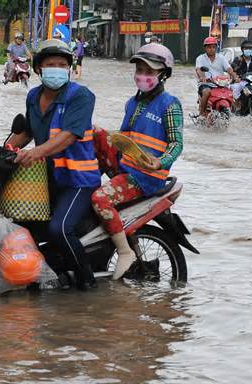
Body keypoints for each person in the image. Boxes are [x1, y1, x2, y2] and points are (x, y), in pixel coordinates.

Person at [5, 39, 99, 290]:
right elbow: (27, 131)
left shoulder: (81, 96)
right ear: (38, 69)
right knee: (22, 228)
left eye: (61, 64)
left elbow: (68, 136)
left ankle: (86, 281)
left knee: (59, 229)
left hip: (78, 180)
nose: (56, 68)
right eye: (50, 64)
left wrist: (35, 152)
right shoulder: (33, 95)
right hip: (47, 179)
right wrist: (3, 151)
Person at [91, 44, 183, 279]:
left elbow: (176, 144)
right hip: (126, 167)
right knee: (94, 133)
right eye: (140, 70)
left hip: (145, 178)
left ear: (163, 75)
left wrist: (160, 163)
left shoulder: (169, 105)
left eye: (149, 72)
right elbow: (125, 139)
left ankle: (124, 251)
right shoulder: (132, 103)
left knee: (100, 199)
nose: (142, 76)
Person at [195, 36, 238, 116]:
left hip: (220, 84)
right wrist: (202, 77)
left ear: (216, 48)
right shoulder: (200, 58)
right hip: (206, 84)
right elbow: (199, 69)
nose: (211, 49)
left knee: (232, 92)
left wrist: (234, 75)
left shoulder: (221, 58)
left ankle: (234, 113)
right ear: (205, 48)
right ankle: (201, 114)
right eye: (209, 47)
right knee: (206, 92)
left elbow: (228, 68)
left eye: (213, 47)